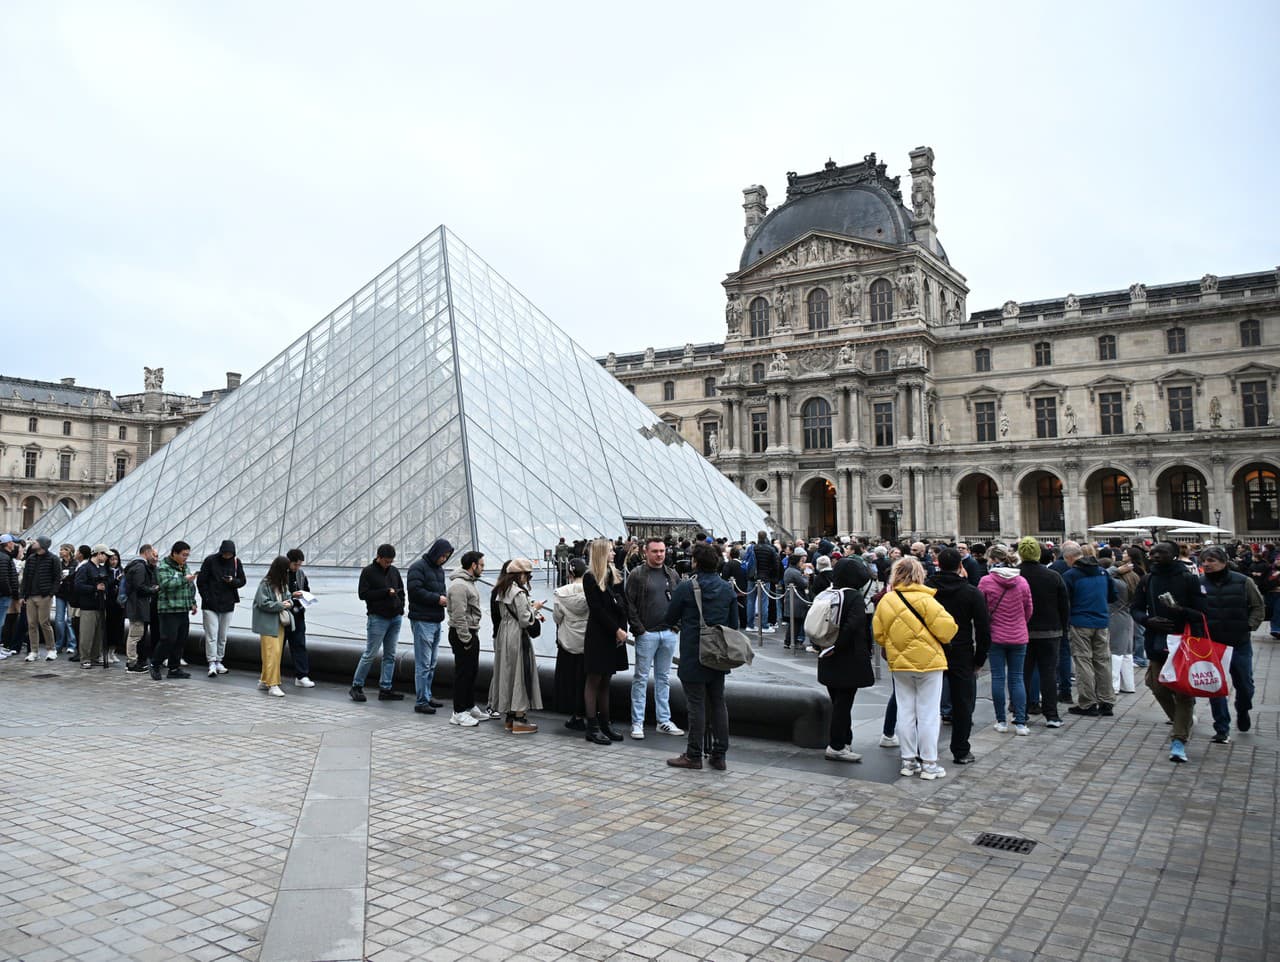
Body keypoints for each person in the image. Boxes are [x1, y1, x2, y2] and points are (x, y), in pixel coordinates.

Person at [873, 556, 958, 780]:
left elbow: (879, 635)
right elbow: (947, 630)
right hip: (930, 662)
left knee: (905, 711)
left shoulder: (887, 600)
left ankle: (908, 761)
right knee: (929, 712)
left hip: (900, 663)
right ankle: (929, 763)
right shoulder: (927, 599)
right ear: (920, 575)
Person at [663, 541, 739, 771]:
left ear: (695, 562)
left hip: (693, 654)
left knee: (695, 705)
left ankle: (694, 755)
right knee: (718, 702)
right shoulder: (727, 589)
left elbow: (669, 617)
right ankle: (720, 755)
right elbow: (734, 625)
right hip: (717, 654)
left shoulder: (687, 587)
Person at [1132, 541, 1206, 763]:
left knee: (1183, 691)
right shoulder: (1148, 579)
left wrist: (1181, 611)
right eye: (1152, 552)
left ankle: (1179, 738)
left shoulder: (1189, 579)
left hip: (1184, 641)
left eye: (1160, 552)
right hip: (1157, 640)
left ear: (1173, 555)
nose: (1154, 556)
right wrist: (1147, 620)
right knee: (1157, 686)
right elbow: (1135, 608)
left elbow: (1203, 612)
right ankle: (1181, 722)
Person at [927, 547, 991, 764]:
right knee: (962, 703)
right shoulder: (972, 592)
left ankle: (924, 750)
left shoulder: (927, 590)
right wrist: (980, 658)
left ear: (937, 564)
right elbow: (983, 629)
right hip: (961, 650)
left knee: (927, 703)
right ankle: (961, 750)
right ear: (960, 566)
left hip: (931, 648)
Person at [1200, 545, 1265, 744]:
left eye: (1211, 560)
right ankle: (1221, 727)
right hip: (1212, 643)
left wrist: (1249, 625)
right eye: (1204, 560)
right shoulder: (1198, 583)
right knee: (1215, 686)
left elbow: (1258, 606)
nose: (1206, 564)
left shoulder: (1244, 582)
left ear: (1224, 562)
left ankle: (1243, 708)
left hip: (1239, 642)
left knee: (1245, 684)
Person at [623, 537, 684, 741]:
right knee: (640, 678)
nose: (660, 555)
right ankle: (637, 722)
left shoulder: (672, 574)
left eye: (662, 551)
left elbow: (679, 601)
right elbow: (629, 603)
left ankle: (663, 720)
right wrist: (640, 630)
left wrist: (676, 627)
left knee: (663, 678)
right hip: (647, 634)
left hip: (668, 633)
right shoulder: (637, 575)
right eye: (655, 551)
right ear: (645, 552)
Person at [820, 557, 877, 763]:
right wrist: (838, 646)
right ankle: (836, 745)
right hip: (847, 657)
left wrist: (826, 647)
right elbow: (854, 626)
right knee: (844, 703)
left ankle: (845, 740)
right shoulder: (853, 597)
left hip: (827, 655)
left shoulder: (826, 594)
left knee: (838, 701)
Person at [978, 545, 1033, 735]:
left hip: (995, 635)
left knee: (998, 678)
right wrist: (1019, 623)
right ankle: (1020, 722)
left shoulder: (985, 581)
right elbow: (1028, 609)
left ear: (992, 560)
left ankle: (1001, 720)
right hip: (1018, 635)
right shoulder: (1022, 581)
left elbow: (981, 611)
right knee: (1017, 678)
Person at [1062, 541, 1118, 717]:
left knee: (1083, 661)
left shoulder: (1071, 575)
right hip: (1101, 621)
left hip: (1080, 622)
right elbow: (1112, 596)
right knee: (1102, 661)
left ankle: (1087, 702)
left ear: (1070, 558)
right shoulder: (1102, 572)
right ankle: (1107, 701)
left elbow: (1065, 601)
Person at [1017, 535, 1068, 729]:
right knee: (1048, 674)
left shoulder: (1015, 575)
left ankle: (1021, 711)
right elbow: (1064, 605)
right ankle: (1052, 715)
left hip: (1022, 631)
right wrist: (1063, 627)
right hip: (1050, 631)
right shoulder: (1053, 576)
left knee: (1023, 673)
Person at [582, 538, 629, 745]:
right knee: (594, 680)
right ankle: (592, 726)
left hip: (614, 634)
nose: (614, 553)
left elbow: (622, 604)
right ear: (601, 554)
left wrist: (622, 629)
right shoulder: (590, 578)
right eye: (610, 551)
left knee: (606, 680)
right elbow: (597, 610)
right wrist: (617, 630)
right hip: (600, 635)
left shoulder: (615, 575)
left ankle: (605, 724)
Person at [491, 558, 544, 734]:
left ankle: (510, 717)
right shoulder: (518, 593)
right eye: (527, 575)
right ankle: (520, 720)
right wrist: (535, 609)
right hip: (517, 636)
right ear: (521, 574)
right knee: (521, 674)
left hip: (504, 634)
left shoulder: (502, 590)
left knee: (508, 673)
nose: (527, 579)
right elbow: (525, 619)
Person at [350, 544, 405, 703]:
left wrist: (401, 607)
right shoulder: (368, 571)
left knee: (390, 655)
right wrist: (386, 592)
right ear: (378, 558)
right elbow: (363, 594)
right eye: (386, 561)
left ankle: (386, 688)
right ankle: (356, 686)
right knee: (370, 653)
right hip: (378, 618)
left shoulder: (394, 571)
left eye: (391, 561)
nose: (389, 564)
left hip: (395, 617)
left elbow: (401, 590)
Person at [407, 538, 454, 715]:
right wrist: (437, 599)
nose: (444, 559)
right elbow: (415, 591)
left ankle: (427, 695)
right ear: (436, 552)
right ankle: (421, 700)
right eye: (442, 555)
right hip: (422, 620)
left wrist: (442, 597)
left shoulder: (438, 570)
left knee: (431, 663)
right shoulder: (418, 567)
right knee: (423, 663)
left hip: (435, 619)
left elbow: (440, 589)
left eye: (447, 556)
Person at [445, 550, 488, 727]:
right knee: (463, 674)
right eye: (482, 565)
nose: (483, 569)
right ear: (473, 565)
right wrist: (466, 639)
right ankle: (458, 712)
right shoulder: (459, 586)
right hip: (463, 634)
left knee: (471, 672)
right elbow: (458, 615)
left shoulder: (468, 583)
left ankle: (469, 706)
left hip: (470, 632)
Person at [196, 539, 245, 677]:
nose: (227, 556)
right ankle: (211, 661)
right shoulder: (210, 561)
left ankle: (219, 660)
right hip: (210, 604)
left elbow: (242, 580)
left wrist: (232, 581)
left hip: (228, 603)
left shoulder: (236, 562)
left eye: (230, 554)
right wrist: (206, 598)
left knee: (222, 635)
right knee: (212, 634)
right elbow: (201, 581)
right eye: (225, 553)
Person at [150, 541, 198, 680]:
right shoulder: (164, 567)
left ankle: (174, 667)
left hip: (183, 609)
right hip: (168, 609)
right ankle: (155, 664)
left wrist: (193, 603)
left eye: (187, 555)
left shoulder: (184, 567)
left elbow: (190, 587)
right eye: (183, 555)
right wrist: (184, 579)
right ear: (174, 553)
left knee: (180, 640)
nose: (185, 558)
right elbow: (165, 585)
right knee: (168, 639)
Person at [553, 557, 590, 732]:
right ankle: (588, 712)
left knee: (570, 679)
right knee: (586, 679)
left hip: (567, 641)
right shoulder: (590, 591)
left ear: (569, 572)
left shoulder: (561, 593)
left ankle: (574, 715)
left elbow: (557, 618)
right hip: (587, 642)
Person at [251, 556, 295, 697]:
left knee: (273, 654)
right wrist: (282, 605)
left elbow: (287, 597)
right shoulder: (265, 584)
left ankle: (265, 680)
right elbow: (263, 603)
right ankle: (273, 684)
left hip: (277, 624)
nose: (287, 572)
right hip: (268, 624)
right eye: (286, 569)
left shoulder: (281, 584)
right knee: (272, 654)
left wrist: (291, 601)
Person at [1102, 551, 1139, 695]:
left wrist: (1114, 570)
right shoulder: (1134, 580)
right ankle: (1129, 685)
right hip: (1128, 617)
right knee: (1127, 652)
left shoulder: (1118, 583)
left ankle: (1114, 685)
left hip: (1115, 617)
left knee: (1115, 651)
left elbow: (1103, 576)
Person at [20, 536, 60, 662]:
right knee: (32, 624)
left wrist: (51, 593)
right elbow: (26, 578)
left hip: (44, 596)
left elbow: (57, 578)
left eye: (36, 542)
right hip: (31, 596)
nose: (33, 543)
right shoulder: (31, 558)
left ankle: (51, 649)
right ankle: (34, 651)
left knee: (44, 623)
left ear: (42, 545)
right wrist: (22, 595)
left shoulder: (53, 559)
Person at [123, 545, 159, 672]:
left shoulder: (134, 565)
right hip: (138, 606)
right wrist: (153, 589)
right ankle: (132, 663)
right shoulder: (140, 567)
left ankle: (132, 661)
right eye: (152, 553)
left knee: (135, 635)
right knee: (135, 636)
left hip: (135, 605)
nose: (154, 556)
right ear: (147, 552)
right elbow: (139, 587)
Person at [284, 549, 315, 687]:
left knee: (300, 644)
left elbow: (306, 589)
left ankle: (302, 675)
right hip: (283, 615)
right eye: (295, 565)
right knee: (277, 647)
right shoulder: (280, 574)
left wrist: (304, 595)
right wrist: (292, 595)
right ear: (288, 561)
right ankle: (269, 676)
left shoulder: (301, 574)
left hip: (298, 615)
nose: (297, 568)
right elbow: (276, 594)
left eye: (300, 565)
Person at [750, 531, 781, 632]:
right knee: (764, 602)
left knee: (751, 601)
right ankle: (764, 625)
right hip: (765, 577)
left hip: (753, 577)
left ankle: (750, 625)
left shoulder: (752, 548)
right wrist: (774, 577)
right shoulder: (770, 549)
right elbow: (776, 564)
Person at [782, 551, 810, 649]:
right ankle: (792, 641)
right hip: (797, 599)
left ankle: (788, 641)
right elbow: (804, 584)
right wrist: (806, 576)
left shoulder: (788, 570)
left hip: (792, 598)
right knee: (796, 622)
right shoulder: (795, 572)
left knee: (793, 622)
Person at [54, 543, 78, 656]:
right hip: (60, 594)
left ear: (69, 551)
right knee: (59, 620)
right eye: (60, 549)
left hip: (71, 594)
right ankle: (59, 644)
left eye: (63, 550)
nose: (60, 551)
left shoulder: (75, 564)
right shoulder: (58, 564)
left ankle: (71, 645)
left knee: (69, 620)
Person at [103, 549, 125, 665]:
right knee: (109, 628)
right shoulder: (105, 572)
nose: (114, 562)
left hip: (119, 604)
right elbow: (106, 586)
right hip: (109, 603)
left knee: (118, 629)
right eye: (111, 559)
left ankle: (113, 651)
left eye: (116, 559)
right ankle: (106, 652)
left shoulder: (121, 570)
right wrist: (116, 581)